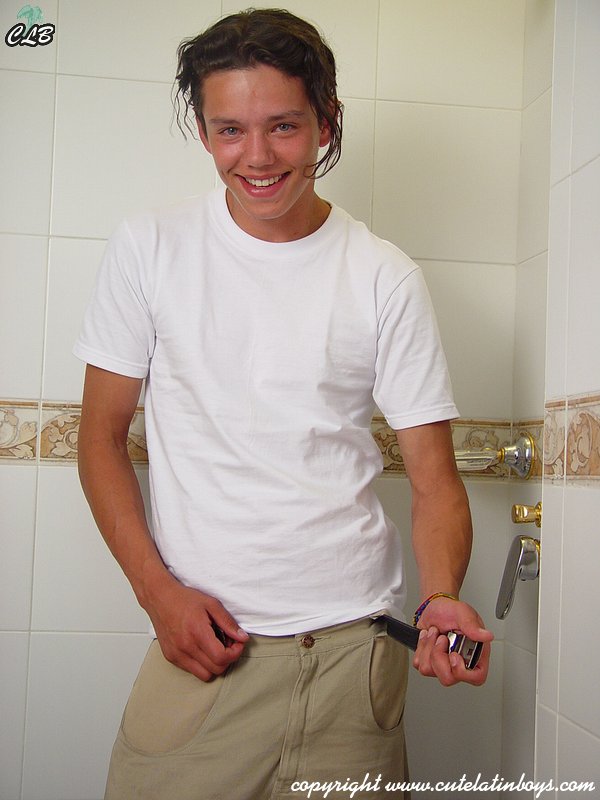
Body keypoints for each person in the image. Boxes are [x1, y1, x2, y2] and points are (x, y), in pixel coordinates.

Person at [74, 8, 493, 799]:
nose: (257, 157)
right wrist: (157, 594)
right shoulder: (150, 248)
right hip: (207, 647)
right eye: (230, 130)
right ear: (204, 131)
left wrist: (441, 594)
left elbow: (435, 480)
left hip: (354, 660)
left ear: (326, 123)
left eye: (284, 127)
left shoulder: (383, 275)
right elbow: (99, 441)